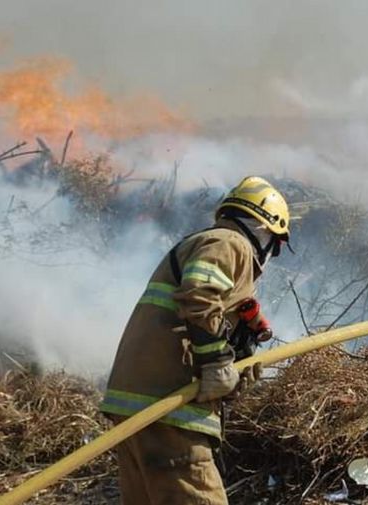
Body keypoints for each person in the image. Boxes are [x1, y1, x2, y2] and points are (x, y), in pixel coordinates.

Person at [100, 176, 290, 505]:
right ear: (265, 231)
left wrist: (232, 370)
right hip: (168, 406)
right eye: (276, 243)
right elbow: (201, 294)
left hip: (138, 403)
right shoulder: (230, 243)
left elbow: (198, 316)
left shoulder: (207, 243)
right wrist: (217, 364)